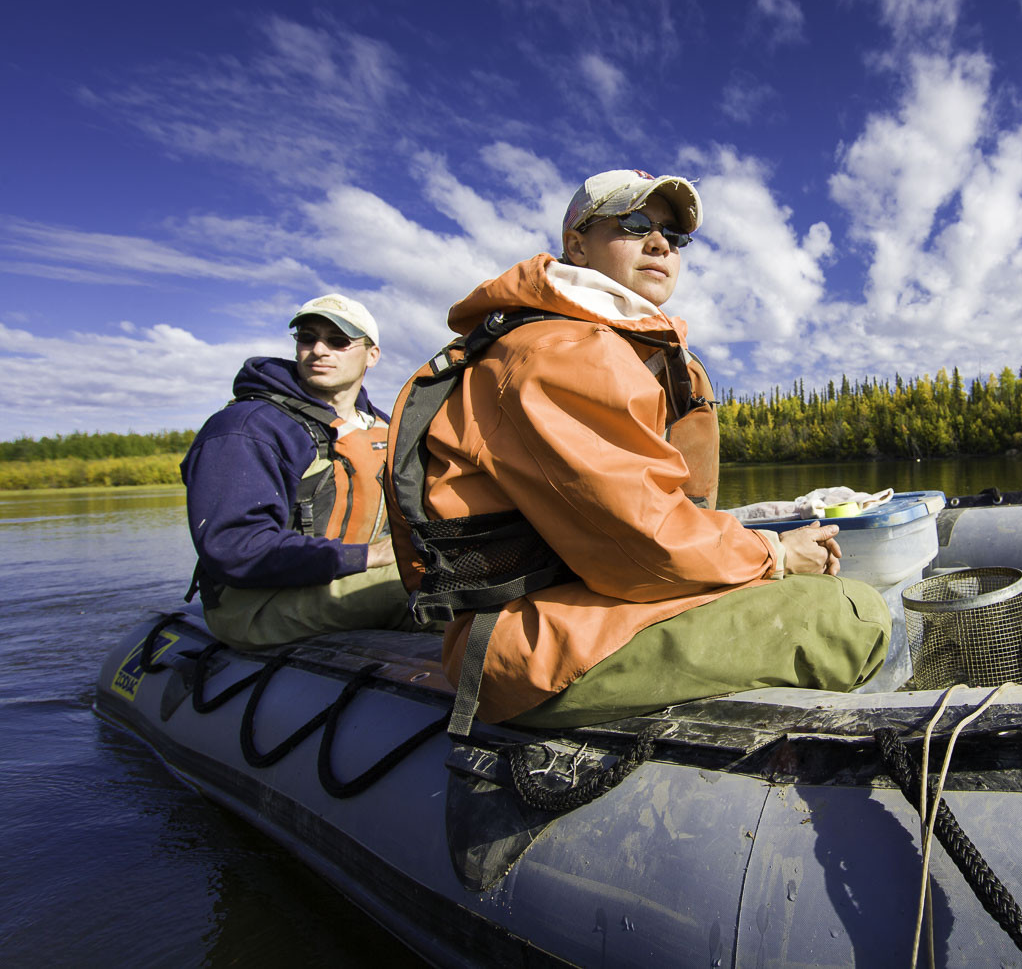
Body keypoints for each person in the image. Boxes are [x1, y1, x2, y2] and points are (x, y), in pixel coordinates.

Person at [386, 169, 889, 728]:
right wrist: (776, 556)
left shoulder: (606, 346)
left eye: (674, 237)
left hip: (586, 609)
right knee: (852, 616)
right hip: (528, 642)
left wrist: (760, 553)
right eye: (633, 224)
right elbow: (646, 549)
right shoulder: (562, 352)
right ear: (576, 245)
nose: (659, 243)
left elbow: (652, 525)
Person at [182, 294, 413, 648]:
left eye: (338, 341)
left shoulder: (381, 426)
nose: (320, 349)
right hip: (257, 603)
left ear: (372, 355)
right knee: (429, 588)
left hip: (345, 576)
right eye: (308, 338)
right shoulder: (246, 428)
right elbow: (236, 547)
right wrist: (370, 556)